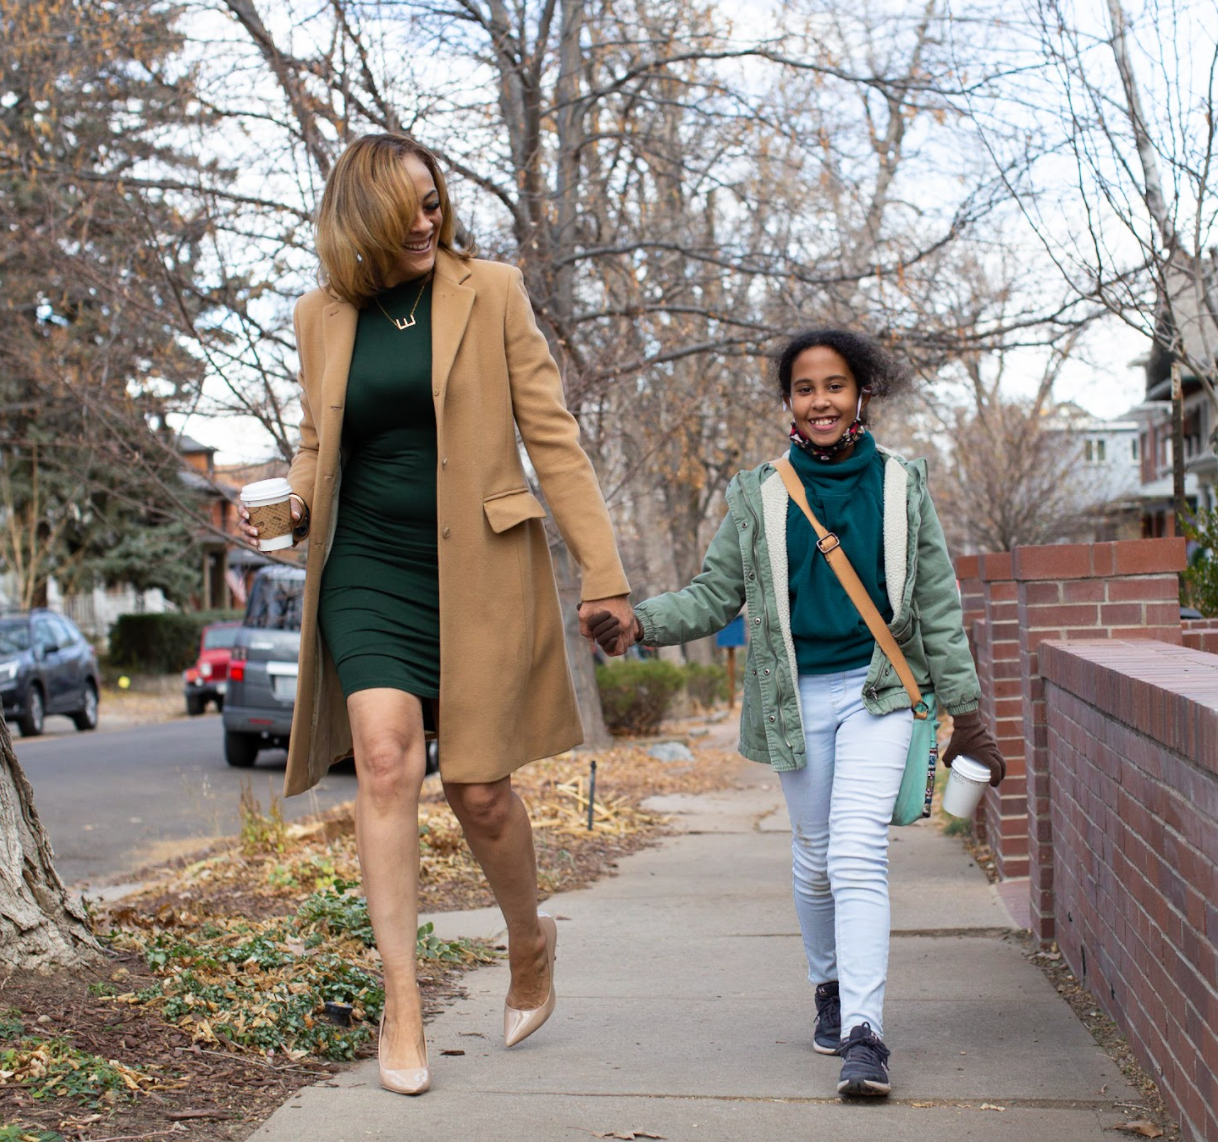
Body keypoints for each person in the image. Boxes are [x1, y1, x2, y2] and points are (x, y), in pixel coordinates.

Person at [239, 132, 634, 1096]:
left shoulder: (488, 290)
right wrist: (291, 506)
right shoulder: (319, 316)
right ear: (364, 217)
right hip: (368, 566)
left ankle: (530, 940)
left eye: (435, 202)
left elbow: (551, 434)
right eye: (410, 207)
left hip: (481, 571)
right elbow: (316, 444)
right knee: (383, 759)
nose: (430, 220)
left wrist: (605, 571)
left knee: (480, 790)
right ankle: (402, 997)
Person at [587, 328, 1005, 1099]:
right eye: (805, 388)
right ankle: (829, 986)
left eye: (835, 386)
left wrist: (968, 716)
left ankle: (866, 1034)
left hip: (882, 691)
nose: (821, 401)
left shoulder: (903, 484)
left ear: (861, 395)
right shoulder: (758, 494)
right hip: (796, 699)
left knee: (854, 854)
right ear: (789, 401)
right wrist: (641, 621)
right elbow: (716, 594)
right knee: (814, 861)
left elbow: (939, 608)